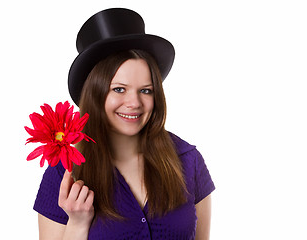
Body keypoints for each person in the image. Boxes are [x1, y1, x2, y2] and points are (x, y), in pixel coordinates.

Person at [34, 8, 215, 240]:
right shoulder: (64, 169)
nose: (134, 103)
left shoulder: (189, 160)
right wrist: (78, 224)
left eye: (146, 91)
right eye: (119, 89)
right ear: (96, 93)